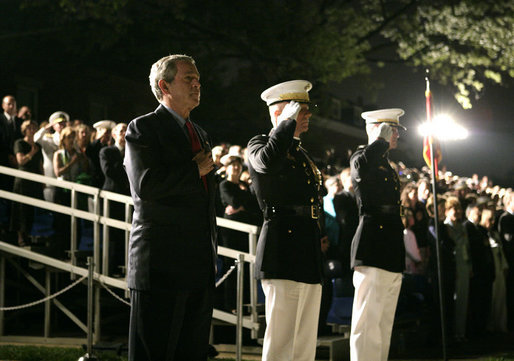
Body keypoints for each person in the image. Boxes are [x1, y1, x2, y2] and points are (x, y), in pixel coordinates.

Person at [124, 54, 217, 361]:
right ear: (164, 85)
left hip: (198, 265)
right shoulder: (143, 129)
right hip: (161, 265)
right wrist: (195, 171)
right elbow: (145, 186)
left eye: (198, 79)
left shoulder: (199, 133)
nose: (196, 84)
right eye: (188, 78)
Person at [247, 80, 324, 361]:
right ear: (282, 112)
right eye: (301, 110)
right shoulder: (260, 144)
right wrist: (286, 124)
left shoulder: (300, 153)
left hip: (306, 245)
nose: (307, 115)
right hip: (282, 246)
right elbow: (267, 162)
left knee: (304, 338)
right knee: (281, 339)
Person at [349, 108, 406, 361]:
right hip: (372, 242)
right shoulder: (363, 156)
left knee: (383, 320)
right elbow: (360, 169)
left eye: (395, 130)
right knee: (367, 321)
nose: (396, 135)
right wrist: (378, 141)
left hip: (390, 242)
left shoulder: (386, 164)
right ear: (376, 130)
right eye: (390, 130)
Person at [218, 152, 260, 312]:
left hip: (246, 230)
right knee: (233, 266)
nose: (236, 168)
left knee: (248, 266)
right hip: (231, 231)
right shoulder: (224, 185)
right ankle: (231, 304)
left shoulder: (244, 185)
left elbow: (253, 206)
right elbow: (234, 202)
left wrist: (241, 207)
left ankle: (246, 302)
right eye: (233, 165)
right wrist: (242, 204)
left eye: (238, 165)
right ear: (227, 168)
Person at [100, 122, 130, 276]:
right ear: (114, 134)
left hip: (127, 197)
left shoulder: (133, 152)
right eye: (121, 130)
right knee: (112, 234)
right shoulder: (107, 151)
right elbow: (108, 171)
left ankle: (122, 266)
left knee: (126, 233)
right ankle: (110, 268)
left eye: (126, 130)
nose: (124, 133)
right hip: (112, 197)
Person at [10, 120, 43, 246]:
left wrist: (43, 179)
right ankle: (20, 236)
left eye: (34, 127)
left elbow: (40, 164)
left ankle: (31, 234)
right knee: (20, 208)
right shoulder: (19, 143)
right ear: (24, 129)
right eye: (29, 127)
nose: (32, 129)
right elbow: (20, 161)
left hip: (35, 180)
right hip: (23, 179)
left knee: (32, 208)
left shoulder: (38, 145)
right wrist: (31, 153)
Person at [34, 111, 69, 202]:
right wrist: (45, 128)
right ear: (53, 125)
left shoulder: (69, 140)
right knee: (50, 204)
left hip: (65, 178)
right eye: (58, 123)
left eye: (63, 123)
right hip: (50, 176)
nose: (61, 125)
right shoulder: (48, 138)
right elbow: (36, 138)